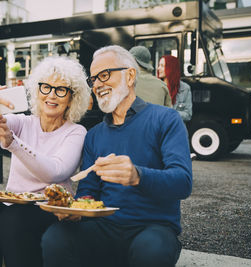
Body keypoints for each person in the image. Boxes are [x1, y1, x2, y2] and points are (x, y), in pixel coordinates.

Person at [41, 45, 192, 267]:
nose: (98, 84)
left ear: (130, 76)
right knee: (56, 238)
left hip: (152, 227)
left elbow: (183, 182)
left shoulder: (166, 119)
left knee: (151, 250)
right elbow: (88, 191)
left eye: (104, 75)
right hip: (104, 226)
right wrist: (76, 210)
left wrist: (137, 175)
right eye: (93, 80)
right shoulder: (94, 135)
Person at [0, 56, 90, 267]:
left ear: (72, 97)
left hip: (50, 208)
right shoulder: (24, 122)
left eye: (61, 90)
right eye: (46, 87)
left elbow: (55, 172)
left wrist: (13, 143)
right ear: (37, 90)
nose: (51, 95)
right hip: (14, 204)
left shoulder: (76, 132)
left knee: (14, 220)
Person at [157, 55, 192, 121]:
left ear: (170, 68)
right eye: (159, 65)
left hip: (176, 128)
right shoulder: (156, 86)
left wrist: (170, 113)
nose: (158, 68)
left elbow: (188, 115)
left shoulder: (185, 88)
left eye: (162, 66)